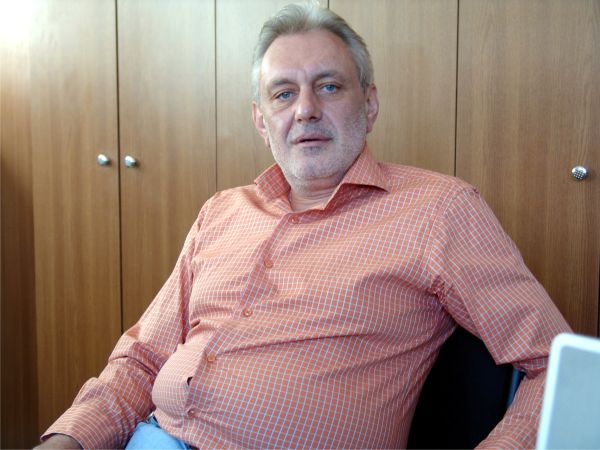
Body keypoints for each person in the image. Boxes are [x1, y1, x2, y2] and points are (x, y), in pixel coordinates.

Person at [38, 2, 571, 449]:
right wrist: (67, 440)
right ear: (260, 119)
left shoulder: (438, 211)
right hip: (154, 438)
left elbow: (557, 367)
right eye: (283, 93)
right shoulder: (221, 212)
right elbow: (143, 359)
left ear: (370, 104)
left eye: (329, 86)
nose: (306, 110)